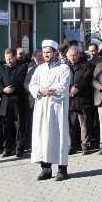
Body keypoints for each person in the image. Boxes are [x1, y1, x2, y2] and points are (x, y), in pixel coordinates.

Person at [29, 40, 71, 181]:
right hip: (42, 107)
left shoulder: (63, 68)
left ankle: (62, 169)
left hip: (56, 108)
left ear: (54, 52)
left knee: (57, 136)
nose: (46, 55)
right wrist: (40, 90)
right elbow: (32, 85)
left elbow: (64, 86)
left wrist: (49, 90)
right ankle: (45, 168)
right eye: (44, 52)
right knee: (42, 136)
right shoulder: (40, 69)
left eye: (48, 52)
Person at [0, 47, 29, 158]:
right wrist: (3, 89)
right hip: (5, 99)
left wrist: (12, 88)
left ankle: (19, 147)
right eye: (6, 59)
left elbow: (21, 80)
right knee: (6, 125)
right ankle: (7, 147)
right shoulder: (2, 68)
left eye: (10, 58)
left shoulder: (22, 66)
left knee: (19, 124)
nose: (8, 61)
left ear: (15, 57)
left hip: (18, 99)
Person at [66, 45, 94, 155]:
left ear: (79, 55)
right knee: (70, 125)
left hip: (83, 99)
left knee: (85, 125)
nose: (73, 57)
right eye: (71, 55)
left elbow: (87, 78)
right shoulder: (65, 66)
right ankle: (70, 146)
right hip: (70, 100)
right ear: (67, 56)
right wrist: (69, 89)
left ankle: (85, 145)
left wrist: (77, 87)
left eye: (75, 55)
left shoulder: (86, 65)